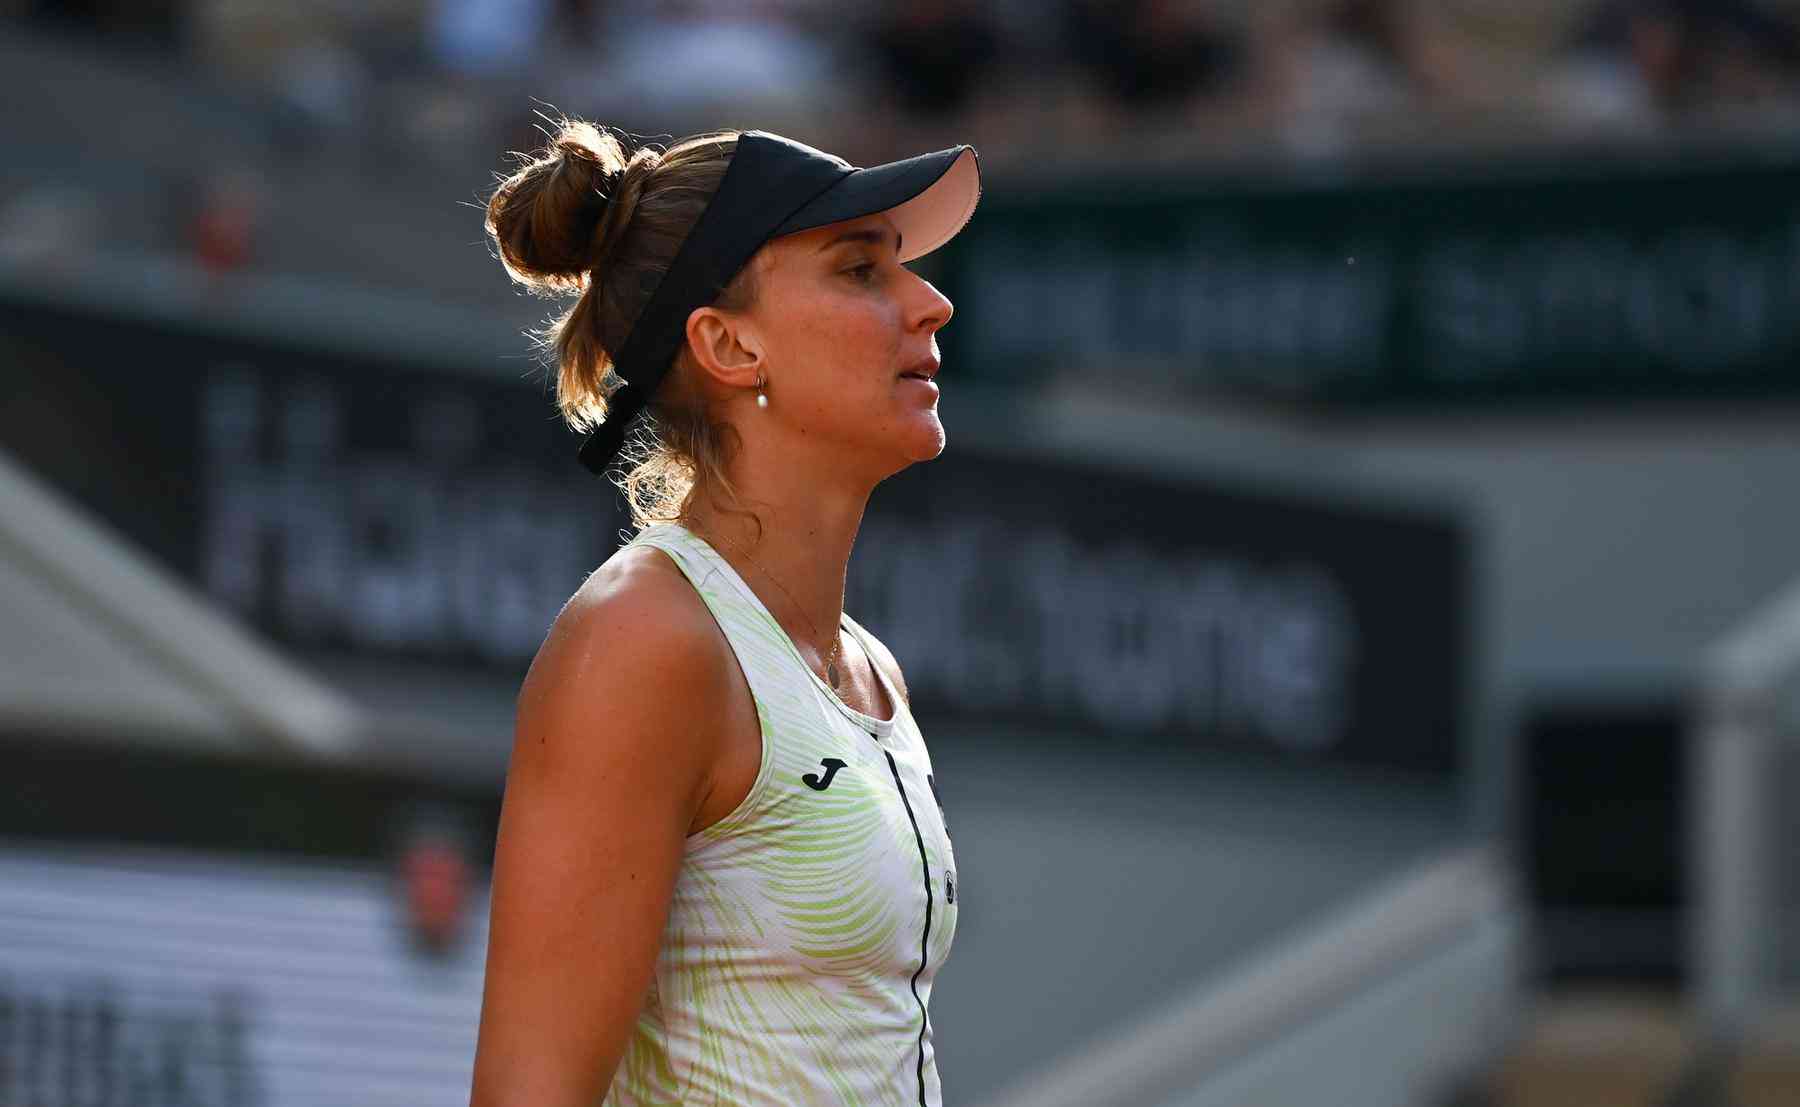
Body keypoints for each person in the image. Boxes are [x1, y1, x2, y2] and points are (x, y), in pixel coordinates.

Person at [467, 119, 980, 1106]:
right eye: (860, 270)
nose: (933, 301)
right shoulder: (644, 643)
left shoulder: (869, 669)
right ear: (728, 343)